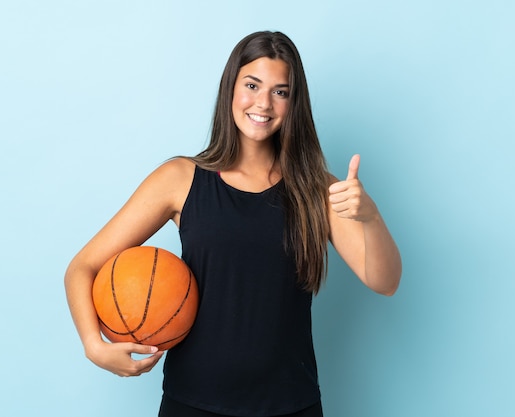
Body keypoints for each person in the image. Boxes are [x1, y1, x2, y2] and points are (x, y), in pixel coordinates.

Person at [64, 30, 401, 417]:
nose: (264, 103)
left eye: (280, 91)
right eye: (252, 85)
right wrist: (95, 346)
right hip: (192, 403)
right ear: (231, 89)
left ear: (294, 103)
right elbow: (82, 267)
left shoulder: (316, 188)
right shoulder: (180, 178)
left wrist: (371, 217)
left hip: (291, 405)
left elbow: (386, 282)